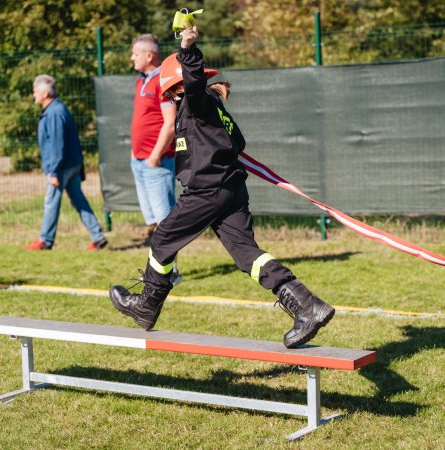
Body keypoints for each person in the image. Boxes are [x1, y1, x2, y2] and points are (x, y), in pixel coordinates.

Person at [109, 24, 335, 348]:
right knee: (247, 256)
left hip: (207, 190)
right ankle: (307, 306)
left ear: (176, 88)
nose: (170, 101)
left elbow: (194, 82)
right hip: (231, 191)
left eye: (171, 95)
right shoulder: (215, 109)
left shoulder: (194, 103)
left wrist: (187, 48)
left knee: (162, 240)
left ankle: (147, 305)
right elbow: (238, 141)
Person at [24, 74, 107, 251]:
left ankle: (45, 241)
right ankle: (97, 236)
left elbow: (56, 146)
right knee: (79, 200)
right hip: (72, 164)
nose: (34, 95)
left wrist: (53, 172)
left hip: (61, 167)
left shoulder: (54, 113)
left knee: (51, 202)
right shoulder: (58, 109)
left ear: (45, 93)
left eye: (35, 91)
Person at [130, 34, 181, 284]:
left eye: (135, 54)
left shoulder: (163, 80)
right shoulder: (141, 81)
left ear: (149, 55)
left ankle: (170, 273)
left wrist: (154, 156)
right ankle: (159, 270)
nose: (132, 58)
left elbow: (170, 124)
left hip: (156, 163)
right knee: (155, 223)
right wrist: (136, 154)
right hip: (139, 161)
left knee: (165, 222)